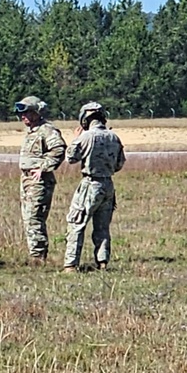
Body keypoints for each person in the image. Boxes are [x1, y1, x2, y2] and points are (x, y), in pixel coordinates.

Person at [63, 101, 125, 272]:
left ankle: (70, 264)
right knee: (102, 227)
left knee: (76, 223)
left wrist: (75, 140)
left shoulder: (86, 136)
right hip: (108, 185)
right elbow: (120, 163)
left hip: (91, 184)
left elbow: (71, 158)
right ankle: (103, 262)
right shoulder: (114, 137)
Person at [14, 95, 66, 264]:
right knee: (27, 217)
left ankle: (38, 256)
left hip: (39, 181)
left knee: (34, 217)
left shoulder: (47, 130)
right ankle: (35, 252)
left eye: (27, 112)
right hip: (27, 179)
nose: (22, 116)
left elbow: (58, 149)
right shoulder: (33, 131)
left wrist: (43, 168)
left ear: (36, 113)